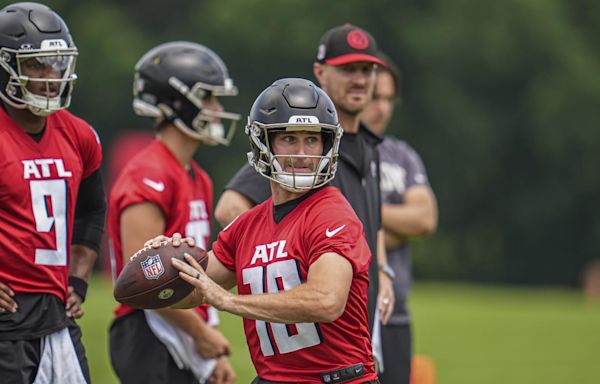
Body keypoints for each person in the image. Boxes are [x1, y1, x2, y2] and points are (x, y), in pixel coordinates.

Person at [147, 78, 379, 383]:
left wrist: (229, 301)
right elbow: (191, 292)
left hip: (337, 378)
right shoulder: (247, 226)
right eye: (289, 139)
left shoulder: (331, 213)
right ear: (263, 143)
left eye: (312, 140)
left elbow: (326, 300)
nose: (302, 154)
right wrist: (164, 265)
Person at [214, 24, 395, 345]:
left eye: (367, 69)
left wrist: (382, 269)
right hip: (306, 328)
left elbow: (372, 224)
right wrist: (281, 256)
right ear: (320, 72)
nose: (359, 79)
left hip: (356, 326)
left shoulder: (370, 146)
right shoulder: (293, 149)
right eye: (348, 69)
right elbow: (231, 207)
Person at [107, 42, 237, 384]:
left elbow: (196, 271)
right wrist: (201, 335)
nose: (217, 108)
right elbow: (146, 279)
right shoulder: (148, 174)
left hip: (182, 324)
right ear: (177, 102)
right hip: (148, 331)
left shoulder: (198, 176)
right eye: (208, 98)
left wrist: (204, 346)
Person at [0, 3, 106, 383]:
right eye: (37, 66)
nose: (51, 77)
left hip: (57, 314)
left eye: (57, 64)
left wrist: (78, 278)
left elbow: (93, 210)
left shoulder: (78, 135)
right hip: (6, 321)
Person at [361, 53, 438, 384]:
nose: (383, 108)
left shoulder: (402, 156)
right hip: (350, 314)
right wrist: (394, 225)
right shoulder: (331, 150)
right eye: (375, 97)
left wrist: (364, 211)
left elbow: (425, 219)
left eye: (390, 99)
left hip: (396, 313)